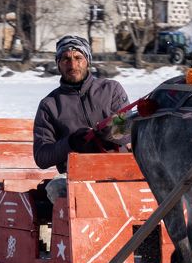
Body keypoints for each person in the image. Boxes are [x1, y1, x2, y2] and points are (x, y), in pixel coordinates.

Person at [33, 35, 129, 201]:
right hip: (76, 178)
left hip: (119, 172)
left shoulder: (112, 90)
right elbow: (42, 157)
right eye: (65, 59)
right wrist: (70, 143)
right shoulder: (49, 105)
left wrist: (109, 132)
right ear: (58, 64)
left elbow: (127, 132)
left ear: (88, 61)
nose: (72, 65)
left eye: (78, 58)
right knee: (56, 188)